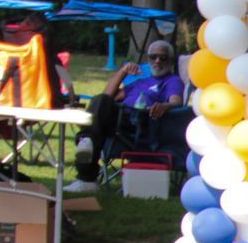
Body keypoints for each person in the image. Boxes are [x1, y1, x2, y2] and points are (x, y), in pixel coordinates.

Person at [70, 40, 185, 190]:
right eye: (153, 57)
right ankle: (87, 142)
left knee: (96, 123)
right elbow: (108, 96)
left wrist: (164, 106)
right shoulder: (141, 81)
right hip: (118, 120)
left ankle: (86, 170)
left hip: (139, 124)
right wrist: (122, 72)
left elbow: (176, 102)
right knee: (101, 100)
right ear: (148, 59)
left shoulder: (172, 81)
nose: (157, 61)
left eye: (163, 58)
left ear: (170, 61)